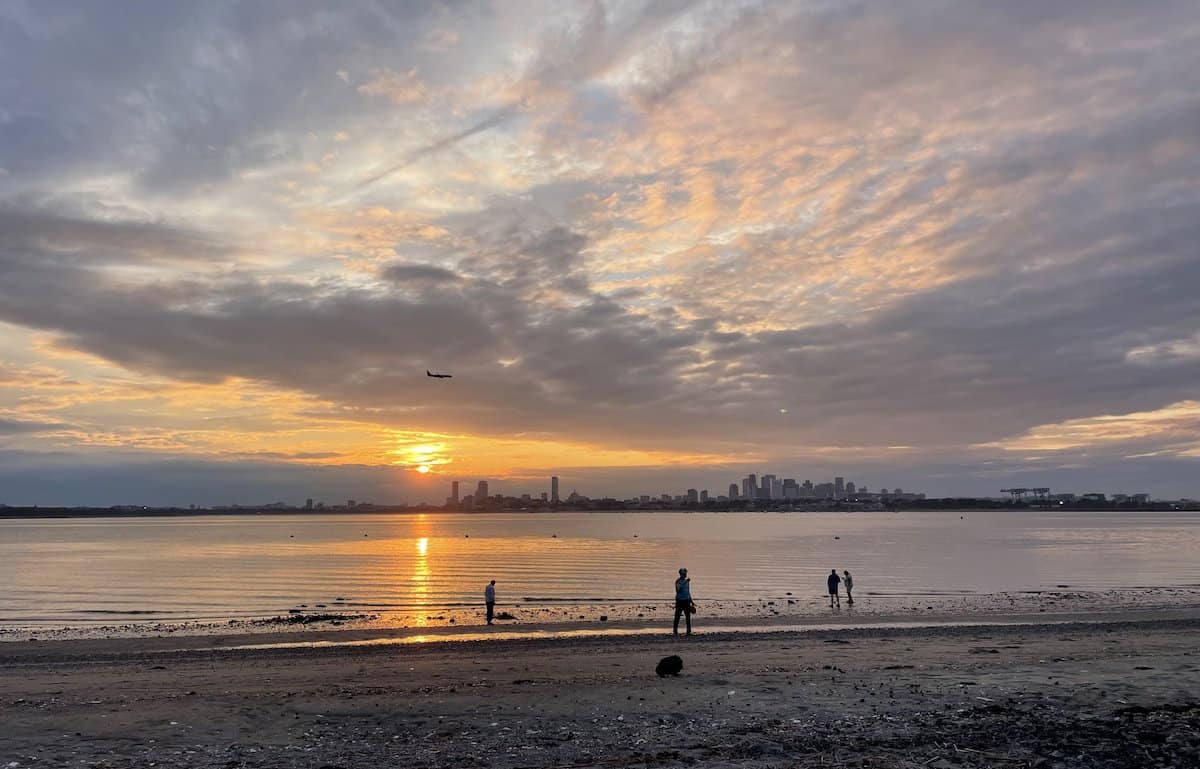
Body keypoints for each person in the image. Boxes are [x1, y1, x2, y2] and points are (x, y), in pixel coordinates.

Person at [673, 568, 693, 636]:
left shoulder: (686, 581)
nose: (685, 575)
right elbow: (679, 589)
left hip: (687, 601)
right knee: (677, 617)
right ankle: (675, 631)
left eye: (685, 573)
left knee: (688, 617)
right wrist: (685, 582)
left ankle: (688, 631)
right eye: (684, 574)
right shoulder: (678, 581)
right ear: (680, 574)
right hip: (680, 601)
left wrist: (691, 600)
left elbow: (688, 591)